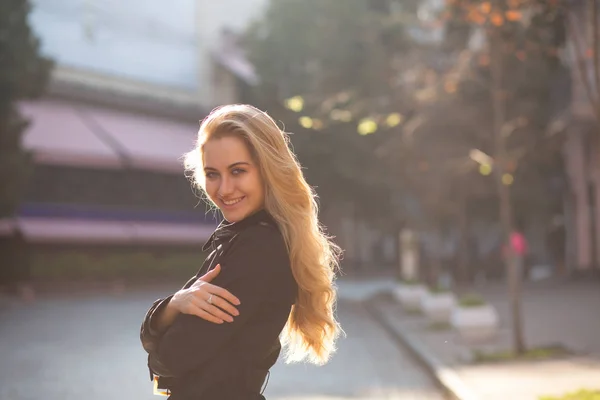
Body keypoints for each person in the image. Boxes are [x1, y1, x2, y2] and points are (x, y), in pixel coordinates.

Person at [140, 104, 342, 399]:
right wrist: (174, 305)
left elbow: (173, 358)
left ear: (267, 170)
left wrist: (158, 335)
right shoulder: (242, 240)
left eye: (238, 171)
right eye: (212, 174)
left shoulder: (257, 248)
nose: (224, 189)